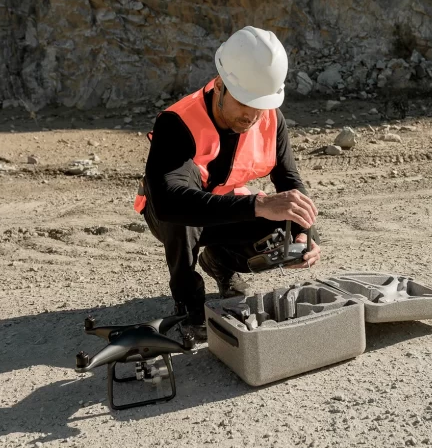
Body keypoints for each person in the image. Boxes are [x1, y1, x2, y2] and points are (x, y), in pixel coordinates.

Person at [133, 26, 321, 327]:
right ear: (220, 85)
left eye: (261, 105)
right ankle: (188, 301)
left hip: (224, 210)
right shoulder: (176, 122)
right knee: (183, 213)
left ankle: (219, 261)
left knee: (283, 228)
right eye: (244, 102)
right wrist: (259, 205)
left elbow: (290, 183)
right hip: (171, 216)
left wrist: (305, 234)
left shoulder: (271, 120)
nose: (252, 116)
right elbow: (169, 202)